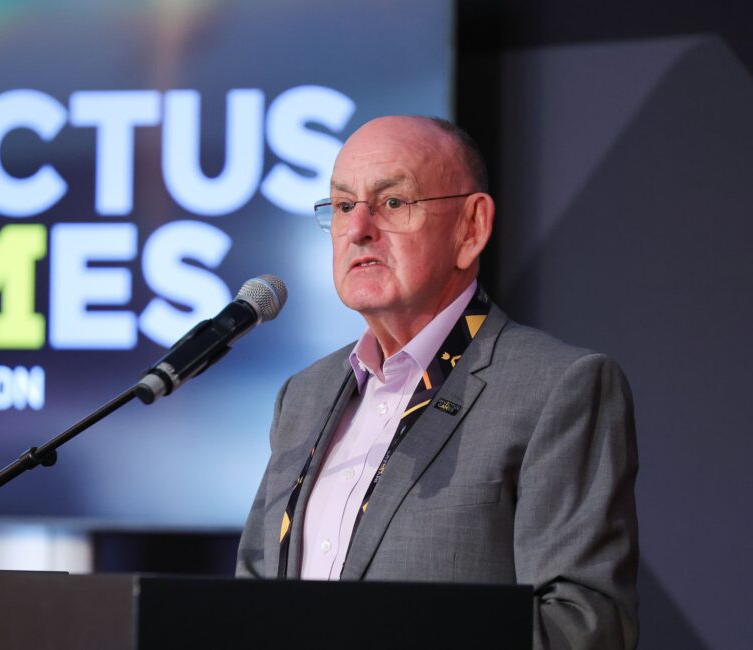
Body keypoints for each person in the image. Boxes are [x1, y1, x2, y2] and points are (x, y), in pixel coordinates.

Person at [235, 115, 639, 649]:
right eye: (343, 206)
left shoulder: (557, 388)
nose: (358, 229)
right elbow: (251, 602)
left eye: (392, 202)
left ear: (471, 227)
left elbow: (583, 629)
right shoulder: (303, 396)